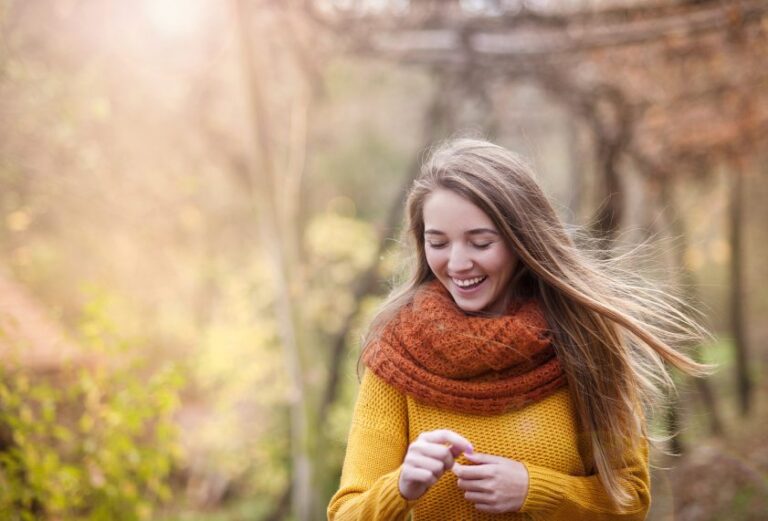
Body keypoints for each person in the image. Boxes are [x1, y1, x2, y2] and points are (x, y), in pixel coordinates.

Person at [327, 138, 707, 520]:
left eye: (480, 242)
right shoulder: (399, 355)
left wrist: (534, 489)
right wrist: (400, 487)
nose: (458, 263)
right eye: (438, 242)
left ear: (521, 240)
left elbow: (631, 500)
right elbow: (346, 513)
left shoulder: (583, 341)